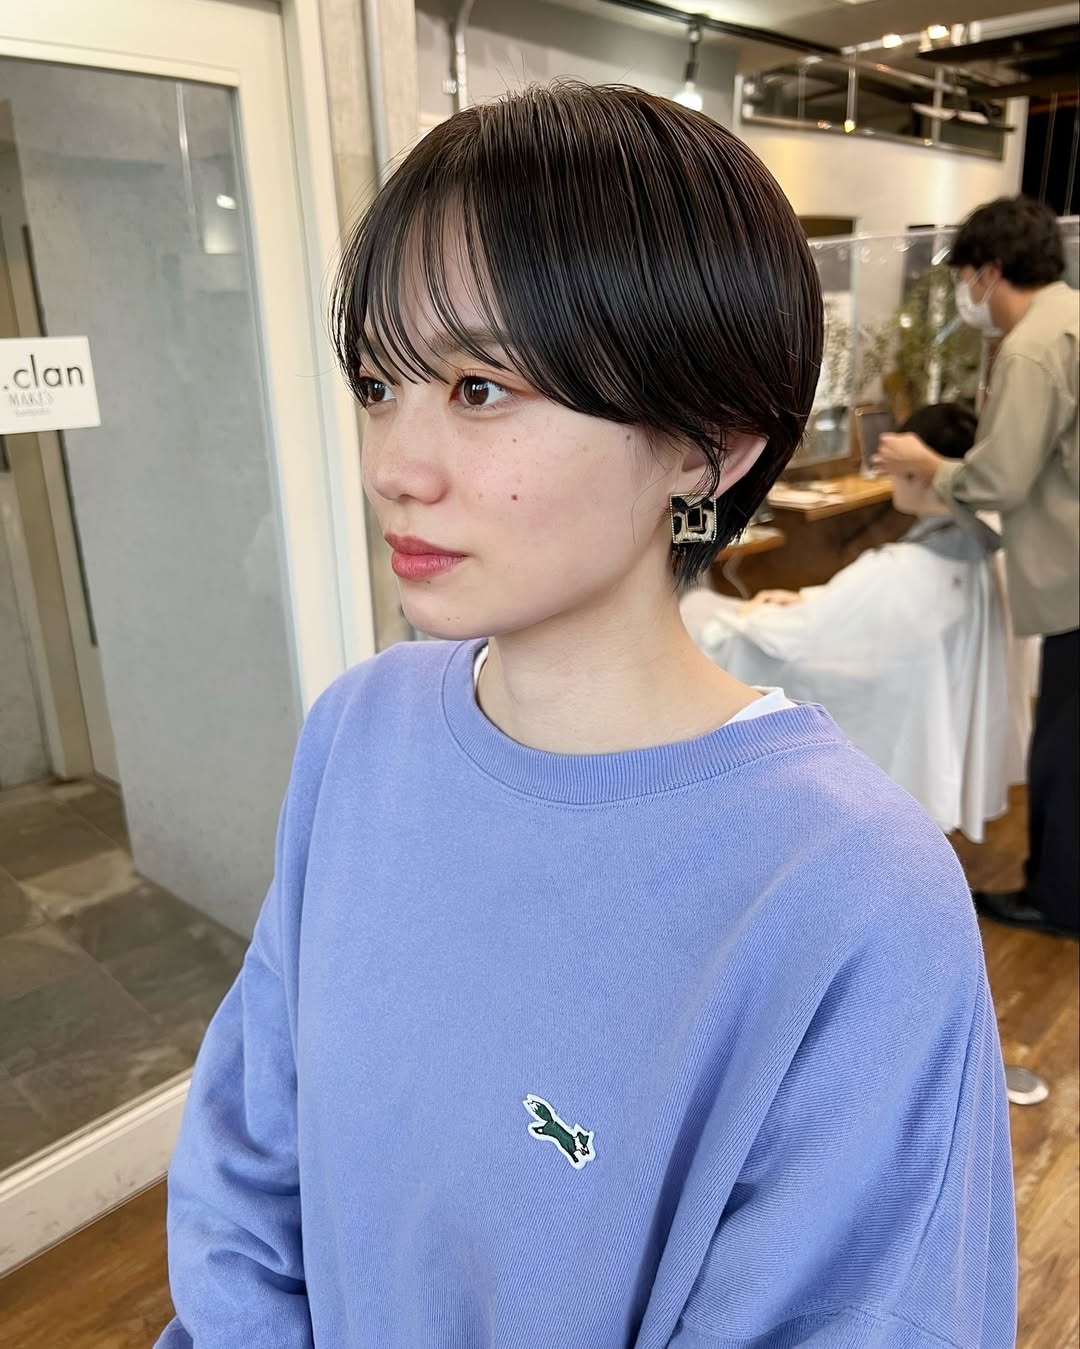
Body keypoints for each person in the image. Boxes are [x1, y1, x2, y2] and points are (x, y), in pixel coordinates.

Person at [156, 85, 1016, 1348]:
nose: (394, 462)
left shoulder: (851, 894)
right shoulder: (359, 732)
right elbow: (244, 1167)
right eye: (381, 381)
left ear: (710, 442)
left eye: (481, 387)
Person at [681, 403, 1035, 841]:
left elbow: (799, 637)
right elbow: (849, 611)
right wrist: (808, 600)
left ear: (915, 471)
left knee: (700, 617)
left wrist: (756, 617)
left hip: (852, 668)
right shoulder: (978, 547)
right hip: (897, 668)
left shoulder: (896, 571)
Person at [876, 196, 1079, 940]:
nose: (968, 293)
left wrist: (929, 463)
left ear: (990, 271)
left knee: (1064, 751)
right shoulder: (1072, 318)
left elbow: (1000, 478)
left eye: (965, 276)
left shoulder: (1033, 346)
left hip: (1072, 580)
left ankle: (1057, 900)